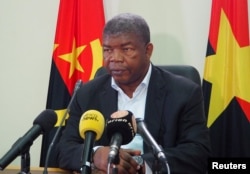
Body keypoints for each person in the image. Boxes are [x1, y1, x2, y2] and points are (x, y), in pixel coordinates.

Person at [56, 13, 211, 174]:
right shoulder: (87, 94)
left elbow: (197, 153)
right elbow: (62, 150)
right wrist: (95, 154)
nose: (115, 58)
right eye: (108, 50)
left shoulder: (184, 93)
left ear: (148, 50)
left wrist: (139, 164)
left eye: (126, 49)